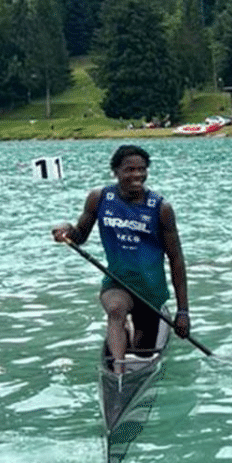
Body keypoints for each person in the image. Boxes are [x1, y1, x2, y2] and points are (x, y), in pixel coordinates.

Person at [52, 145, 191, 371]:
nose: (137, 175)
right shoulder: (99, 198)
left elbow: (176, 259)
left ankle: (129, 335)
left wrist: (183, 312)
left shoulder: (161, 208)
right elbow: (80, 235)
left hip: (150, 291)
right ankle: (118, 371)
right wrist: (66, 229)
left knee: (143, 344)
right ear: (115, 171)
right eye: (129, 169)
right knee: (116, 309)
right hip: (117, 282)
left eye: (142, 169)